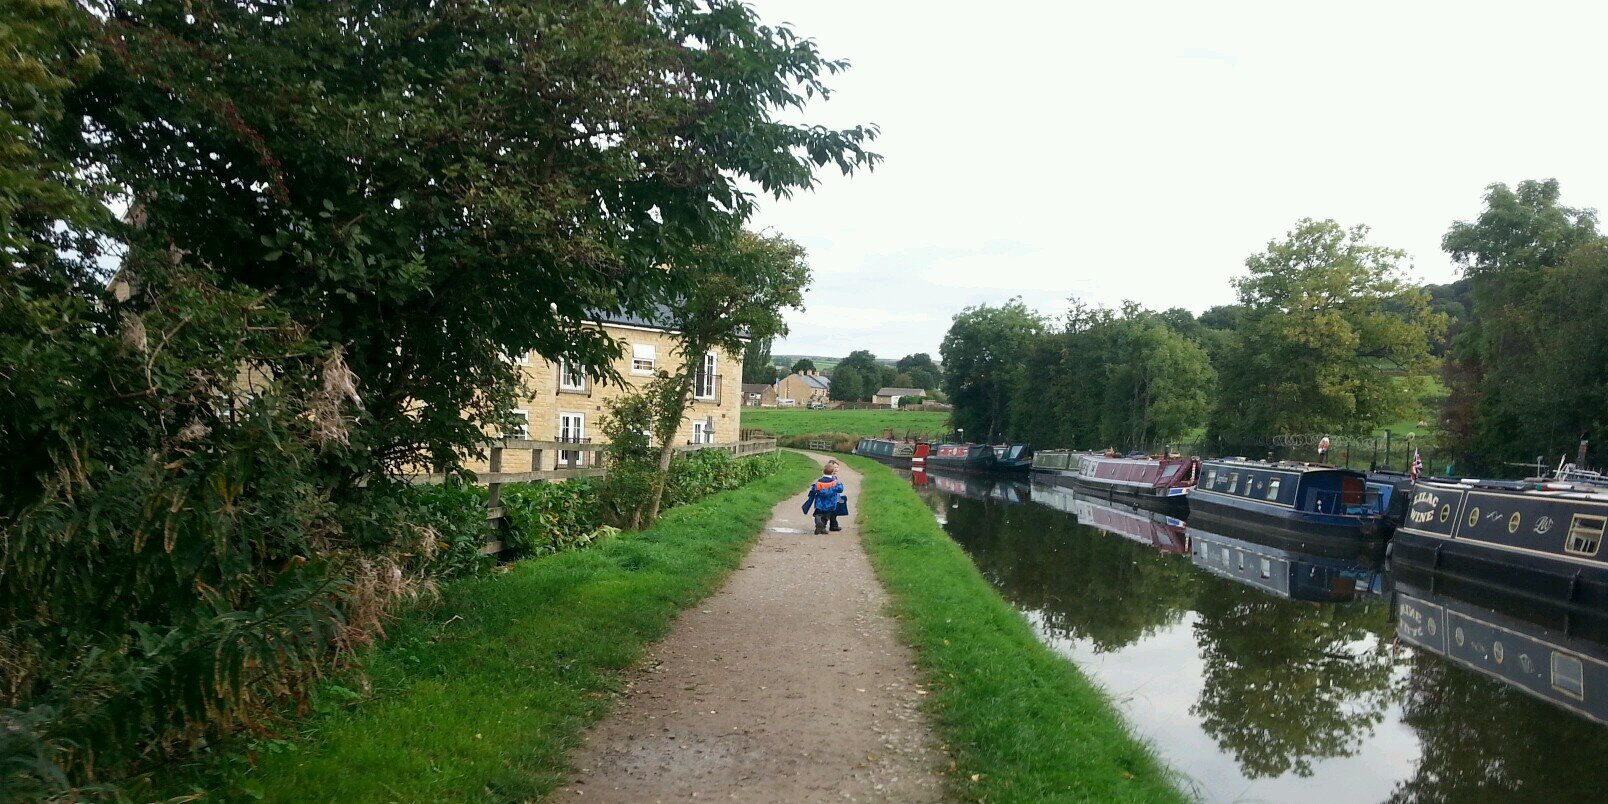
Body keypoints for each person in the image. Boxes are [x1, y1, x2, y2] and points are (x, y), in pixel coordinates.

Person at [802, 462, 846, 535]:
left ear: (823, 471)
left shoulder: (819, 482)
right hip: (830, 503)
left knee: (818, 514)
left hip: (820, 503)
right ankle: (823, 528)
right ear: (832, 472)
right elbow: (840, 489)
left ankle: (818, 521)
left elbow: (814, 489)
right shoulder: (835, 482)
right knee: (826, 516)